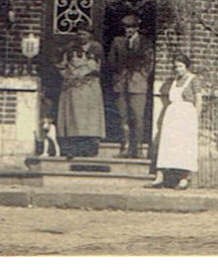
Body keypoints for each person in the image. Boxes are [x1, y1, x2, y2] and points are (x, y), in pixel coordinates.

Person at [147, 53, 200, 189]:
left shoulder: (193, 80)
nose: (178, 69)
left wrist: (196, 118)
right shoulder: (174, 81)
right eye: (176, 67)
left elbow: (199, 100)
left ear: (187, 67)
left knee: (185, 146)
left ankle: (184, 179)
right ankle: (159, 177)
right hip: (172, 115)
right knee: (166, 145)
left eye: (181, 66)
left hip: (186, 114)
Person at [107, 14, 154, 158]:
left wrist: (141, 76)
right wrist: (119, 74)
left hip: (138, 85)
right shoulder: (118, 42)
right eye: (126, 27)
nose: (128, 30)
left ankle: (138, 148)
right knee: (123, 117)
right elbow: (111, 61)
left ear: (137, 28)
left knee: (138, 117)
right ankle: (125, 146)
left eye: (131, 27)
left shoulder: (145, 43)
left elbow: (149, 63)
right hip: (121, 84)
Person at [54, 31, 106, 159]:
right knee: (74, 118)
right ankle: (73, 148)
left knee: (90, 119)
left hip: (90, 88)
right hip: (73, 89)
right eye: (79, 34)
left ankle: (90, 148)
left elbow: (102, 67)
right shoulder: (70, 49)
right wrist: (67, 76)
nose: (81, 36)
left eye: (85, 34)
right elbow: (59, 64)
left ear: (90, 36)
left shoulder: (97, 49)